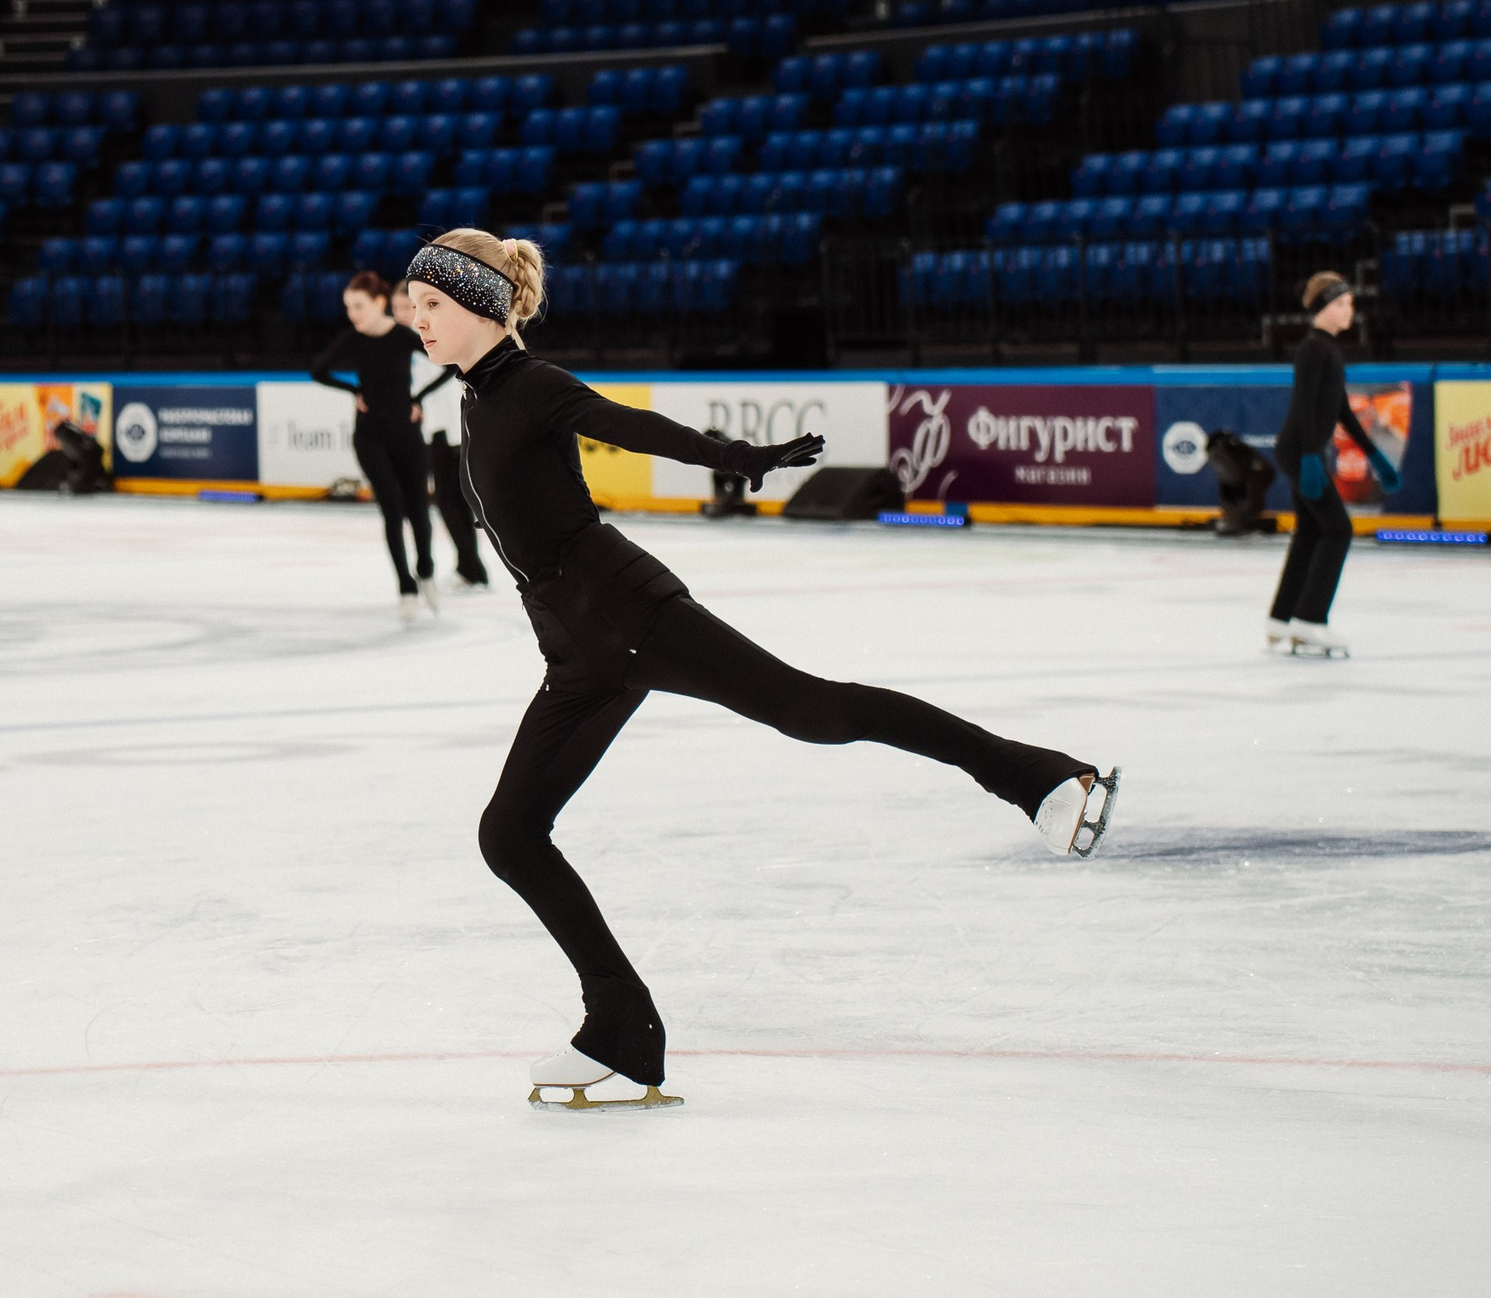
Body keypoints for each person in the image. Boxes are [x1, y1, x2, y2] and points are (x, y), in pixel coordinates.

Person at [397, 228, 1117, 1113]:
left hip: (627, 614)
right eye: (414, 304)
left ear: (479, 302)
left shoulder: (534, 386)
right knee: (509, 834)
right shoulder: (475, 398)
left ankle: (1041, 778)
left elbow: (630, 426)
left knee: (815, 710)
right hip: (576, 652)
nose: (415, 318)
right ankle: (622, 1028)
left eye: (430, 303)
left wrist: (738, 460)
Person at [1266, 273, 1399, 658]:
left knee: (1310, 532)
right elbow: (1307, 406)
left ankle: (1282, 617)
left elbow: (1339, 409)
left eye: (1350, 304)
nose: (1349, 311)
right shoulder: (1313, 350)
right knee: (1338, 529)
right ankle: (1310, 620)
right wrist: (1310, 458)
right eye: (1341, 304)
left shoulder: (1327, 350)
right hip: (1300, 450)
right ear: (1323, 308)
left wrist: (1375, 457)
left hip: (1302, 450)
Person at [311, 271, 438, 618]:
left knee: (418, 509)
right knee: (392, 509)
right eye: (348, 307)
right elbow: (319, 370)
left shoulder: (403, 336)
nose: (352, 313)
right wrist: (354, 392)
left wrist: (419, 398)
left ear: (379, 303)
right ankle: (406, 586)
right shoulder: (351, 339)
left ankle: (425, 568)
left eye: (358, 305)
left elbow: (446, 364)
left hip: (407, 434)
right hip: (369, 436)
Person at [397, 279, 490, 590]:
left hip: (449, 428)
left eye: (407, 307)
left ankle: (472, 568)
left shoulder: (426, 338)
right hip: (438, 427)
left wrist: (417, 398)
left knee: (451, 501)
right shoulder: (408, 342)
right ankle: (470, 566)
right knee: (451, 500)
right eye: (397, 308)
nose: (402, 314)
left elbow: (447, 373)